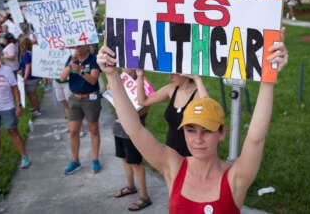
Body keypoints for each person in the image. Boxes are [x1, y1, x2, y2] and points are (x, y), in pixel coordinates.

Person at [97, 27, 288, 213]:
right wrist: (112, 75)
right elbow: (135, 130)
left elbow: (255, 139)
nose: (198, 139)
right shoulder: (174, 166)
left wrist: (269, 77)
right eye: (190, 130)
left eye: (206, 130)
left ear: (222, 132)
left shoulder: (235, 178)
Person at [136, 71, 209, 157]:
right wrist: (140, 76)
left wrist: (197, 79)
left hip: (191, 153)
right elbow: (143, 101)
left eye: (174, 73)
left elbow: (208, 108)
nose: (170, 77)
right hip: (171, 150)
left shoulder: (198, 93)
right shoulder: (171, 89)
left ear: (185, 74)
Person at [112, 69, 152, 211]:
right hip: (119, 124)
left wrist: (130, 109)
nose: (124, 69)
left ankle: (144, 196)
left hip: (133, 128)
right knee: (124, 158)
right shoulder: (121, 79)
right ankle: (130, 186)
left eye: (127, 66)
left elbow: (145, 108)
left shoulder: (143, 82)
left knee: (135, 162)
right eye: (122, 66)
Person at [60, 44, 102, 175]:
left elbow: (93, 81)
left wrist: (80, 71)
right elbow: (61, 78)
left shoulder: (94, 59)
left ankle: (95, 159)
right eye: (75, 47)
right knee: (73, 131)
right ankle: (75, 160)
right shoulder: (71, 59)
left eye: (79, 46)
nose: (76, 49)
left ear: (87, 46)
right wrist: (71, 64)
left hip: (91, 98)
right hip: (75, 98)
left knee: (93, 129)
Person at [18, 38, 41, 116]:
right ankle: (35, 107)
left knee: (32, 94)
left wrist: (25, 77)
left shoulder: (25, 54)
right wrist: (21, 71)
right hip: (33, 76)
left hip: (30, 78)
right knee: (31, 94)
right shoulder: (30, 53)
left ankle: (36, 109)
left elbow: (28, 66)